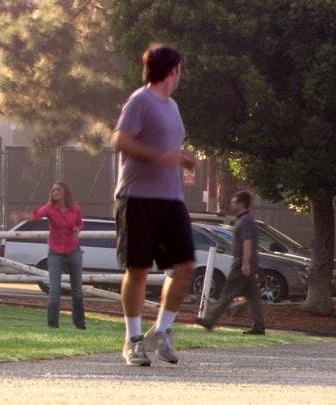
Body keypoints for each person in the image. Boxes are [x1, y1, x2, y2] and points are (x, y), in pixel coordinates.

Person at [111, 43, 197, 367]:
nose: (181, 75)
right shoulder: (140, 100)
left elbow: (168, 145)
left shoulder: (172, 106)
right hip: (137, 197)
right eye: (180, 69)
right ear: (172, 69)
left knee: (186, 265)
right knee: (139, 269)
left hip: (171, 198)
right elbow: (120, 139)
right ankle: (133, 340)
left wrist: (182, 157)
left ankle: (161, 330)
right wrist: (161, 156)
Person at [196, 191, 265, 335]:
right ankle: (259, 326)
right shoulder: (246, 219)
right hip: (249, 263)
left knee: (227, 293)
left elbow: (248, 241)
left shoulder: (245, 221)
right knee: (253, 296)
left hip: (242, 263)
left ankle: (210, 321)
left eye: (234, 202)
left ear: (241, 203)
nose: (233, 204)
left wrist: (245, 263)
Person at [29, 182, 85, 329]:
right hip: (55, 252)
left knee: (77, 288)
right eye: (53, 190)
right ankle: (53, 324)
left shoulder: (76, 208)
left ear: (65, 192)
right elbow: (37, 216)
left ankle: (79, 322)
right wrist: (30, 215)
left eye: (58, 190)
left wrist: (77, 229)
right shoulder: (49, 208)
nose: (55, 192)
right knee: (54, 288)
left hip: (73, 250)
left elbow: (80, 223)